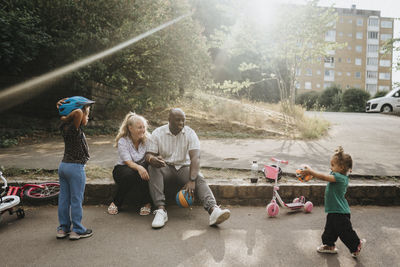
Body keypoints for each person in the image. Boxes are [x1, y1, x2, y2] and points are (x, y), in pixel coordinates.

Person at [146, 108, 230, 229]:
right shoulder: (158, 133)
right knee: (152, 167)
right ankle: (161, 210)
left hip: (184, 167)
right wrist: (152, 159)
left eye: (183, 120)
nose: (181, 123)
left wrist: (191, 180)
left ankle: (213, 210)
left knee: (198, 178)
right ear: (169, 120)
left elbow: (195, 158)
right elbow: (148, 154)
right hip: (165, 167)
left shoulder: (190, 133)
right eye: (177, 120)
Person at [300, 146, 366, 258]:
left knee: (345, 231)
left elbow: (324, 177)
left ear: (341, 167)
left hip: (340, 211)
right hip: (334, 210)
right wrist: (311, 172)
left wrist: (311, 171)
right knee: (330, 229)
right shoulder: (338, 175)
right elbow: (325, 176)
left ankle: (356, 245)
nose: (330, 167)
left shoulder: (340, 178)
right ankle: (329, 245)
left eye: (332, 165)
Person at [56, 96, 95, 240]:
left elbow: (74, 111)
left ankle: (63, 228)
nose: (87, 117)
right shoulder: (72, 127)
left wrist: (63, 111)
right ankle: (77, 229)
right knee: (76, 199)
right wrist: (66, 117)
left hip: (64, 166)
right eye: (87, 114)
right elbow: (78, 112)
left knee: (64, 199)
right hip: (75, 168)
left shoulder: (65, 127)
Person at [107, 112, 152, 216]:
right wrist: (139, 168)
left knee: (147, 170)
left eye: (144, 127)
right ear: (130, 128)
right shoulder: (123, 141)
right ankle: (116, 202)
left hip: (142, 169)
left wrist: (142, 167)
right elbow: (128, 162)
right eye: (139, 127)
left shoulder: (149, 138)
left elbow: (153, 155)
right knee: (131, 174)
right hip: (124, 169)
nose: (143, 130)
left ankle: (147, 203)